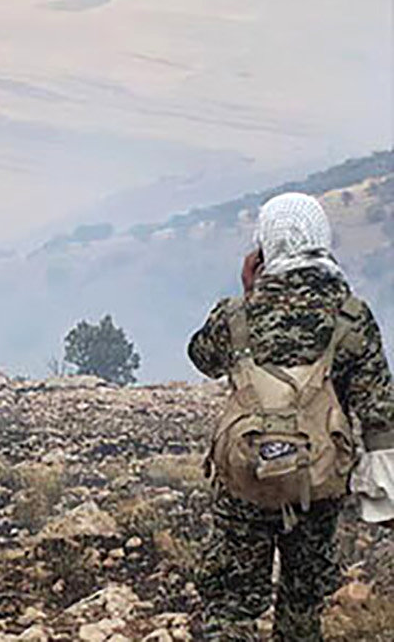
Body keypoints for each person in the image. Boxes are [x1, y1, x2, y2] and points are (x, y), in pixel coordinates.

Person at [188, 192, 394, 641]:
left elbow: (202, 357)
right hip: (317, 483)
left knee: (230, 600)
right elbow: (379, 407)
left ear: (265, 246)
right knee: (302, 603)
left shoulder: (237, 313)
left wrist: (247, 293)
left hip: (245, 477)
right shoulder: (351, 317)